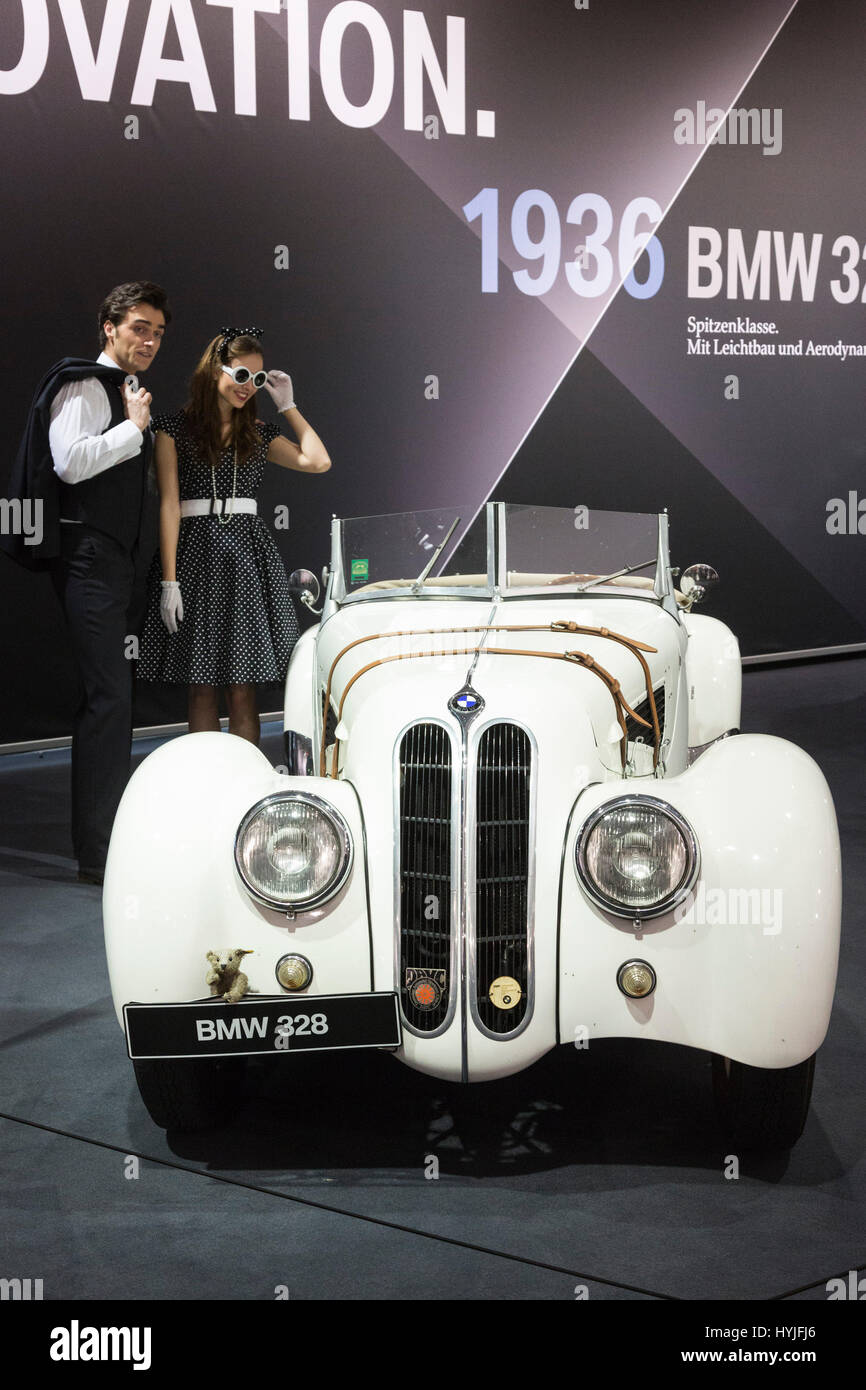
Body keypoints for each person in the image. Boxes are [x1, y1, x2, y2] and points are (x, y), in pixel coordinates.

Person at [1, 281, 171, 885]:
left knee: (112, 701)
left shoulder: (126, 392)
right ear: (109, 327)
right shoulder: (82, 383)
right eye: (137, 327)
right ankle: (100, 854)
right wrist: (133, 430)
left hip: (112, 561)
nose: (148, 339)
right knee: (109, 701)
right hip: (88, 558)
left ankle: (104, 842)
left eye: (156, 331)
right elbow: (69, 461)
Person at [136, 327, 330, 745]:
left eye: (257, 380)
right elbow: (169, 504)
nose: (249, 387)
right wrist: (169, 580)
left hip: (247, 557)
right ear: (215, 370)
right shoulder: (171, 427)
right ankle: (208, 782)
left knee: (243, 689)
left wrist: (289, 405)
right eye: (242, 375)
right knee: (200, 685)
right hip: (194, 556)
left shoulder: (257, 432)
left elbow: (317, 461)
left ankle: (248, 785)